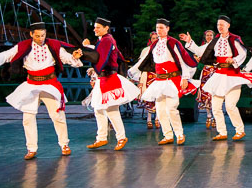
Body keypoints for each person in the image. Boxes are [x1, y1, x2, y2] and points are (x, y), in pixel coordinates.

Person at [0, 21, 83, 160]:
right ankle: (31, 148)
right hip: (31, 84)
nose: (41, 38)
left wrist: (74, 57)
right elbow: (7, 54)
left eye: (43, 35)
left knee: (57, 115)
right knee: (28, 118)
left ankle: (64, 144)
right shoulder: (24, 46)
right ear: (31, 34)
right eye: (37, 36)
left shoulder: (53, 45)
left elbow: (66, 57)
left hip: (49, 84)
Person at [180, 15, 252, 141]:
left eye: (222, 24)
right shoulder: (215, 41)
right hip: (219, 76)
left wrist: (233, 60)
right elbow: (200, 51)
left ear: (228, 25)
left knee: (230, 106)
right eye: (218, 25)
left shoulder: (234, 39)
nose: (220, 27)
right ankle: (222, 132)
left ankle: (240, 130)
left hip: (232, 76)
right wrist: (189, 42)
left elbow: (243, 53)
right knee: (215, 107)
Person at [130, 18, 198, 146]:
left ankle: (179, 134)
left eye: (161, 28)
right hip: (159, 81)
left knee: (171, 108)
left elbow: (182, 60)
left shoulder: (173, 43)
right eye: (157, 28)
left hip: (173, 80)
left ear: (167, 29)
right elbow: (144, 60)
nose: (159, 30)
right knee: (160, 110)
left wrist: (185, 77)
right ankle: (168, 135)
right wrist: (132, 71)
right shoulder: (154, 45)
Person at [82, 17, 140, 151]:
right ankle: (101, 138)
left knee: (111, 110)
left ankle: (121, 137)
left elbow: (101, 57)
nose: (95, 29)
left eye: (98, 27)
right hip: (103, 79)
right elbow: (100, 53)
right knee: (98, 109)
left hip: (109, 79)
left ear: (106, 28)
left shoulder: (107, 40)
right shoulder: (104, 40)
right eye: (95, 27)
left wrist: (86, 49)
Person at [137, 31, 160, 129]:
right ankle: (149, 119)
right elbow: (140, 64)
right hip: (147, 75)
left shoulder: (162, 49)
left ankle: (158, 118)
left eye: (157, 38)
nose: (155, 40)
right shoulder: (146, 50)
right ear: (150, 40)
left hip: (159, 75)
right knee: (148, 97)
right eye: (153, 38)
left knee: (159, 96)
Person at [196, 30, 217, 129]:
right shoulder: (201, 48)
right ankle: (208, 115)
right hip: (205, 71)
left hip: (216, 71)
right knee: (205, 93)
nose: (209, 37)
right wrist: (198, 61)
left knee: (215, 94)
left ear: (214, 36)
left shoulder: (218, 47)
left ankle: (216, 117)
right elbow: (199, 65)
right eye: (207, 35)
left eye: (211, 35)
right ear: (205, 37)